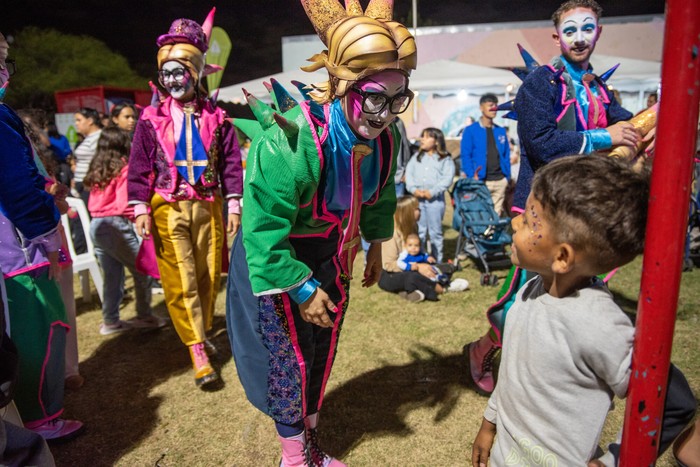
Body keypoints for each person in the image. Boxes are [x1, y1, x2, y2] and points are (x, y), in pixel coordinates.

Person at [226, 0, 417, 464]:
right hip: (278, 259)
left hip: (333, 254)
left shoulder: (386, 138)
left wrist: (373, 245)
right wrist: (303, 287)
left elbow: (381, 194)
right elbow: (263, 233)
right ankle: (295, 458)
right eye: (376, 98)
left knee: (321, 348)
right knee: (287, 359)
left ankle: (309, 441)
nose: (386, 114)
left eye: (398, 100)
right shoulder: (288, 141)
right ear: (343, 86)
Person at [471, 156, 696, 466]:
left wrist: (615, 460)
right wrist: (489, 422)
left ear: (562, 257)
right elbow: (513, 373)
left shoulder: (598, 324)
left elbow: (674, 401)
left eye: (529, 219)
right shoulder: (530, 290)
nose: (515, 221)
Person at [465, 0, 642, 395]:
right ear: (556, 36)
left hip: (582, 210)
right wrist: (606, 137)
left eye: (587, 28)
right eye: (570, 30)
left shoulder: (597, 88)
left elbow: (622, 120)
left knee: (573, 297)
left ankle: (548, 375)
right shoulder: (539, 84)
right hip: (538, 211)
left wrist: (641, 124)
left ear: (599, 31)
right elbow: (542, 143)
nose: (579, 38)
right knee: (522, 302)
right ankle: (480, 350)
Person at [128, 8, 243, 388]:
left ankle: (204, 329)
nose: (173, 79)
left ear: (195, 73)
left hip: (208, 207)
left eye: (180, 72)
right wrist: (140, 206)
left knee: (209, 275)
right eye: (167, 73)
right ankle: (196, 348)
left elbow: (230, 165)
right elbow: (139, 165)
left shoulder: (218, 117)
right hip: (168, 208)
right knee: (181, 279)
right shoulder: (150, 119)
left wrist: (234, 203)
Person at [0, 31, 83, 442]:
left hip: (13, 249)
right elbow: (17, 184)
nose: (6, 74)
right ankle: (39, 417)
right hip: (18, 252)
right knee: (39, 329)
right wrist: (47, 230)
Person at [85, 127, 167, 335]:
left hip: (96, 225)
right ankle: (145, 315)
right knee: (143, 271)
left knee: (112, 276)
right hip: (116, 226)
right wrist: (142, 215)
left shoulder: (98, 167)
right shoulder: (125, 168)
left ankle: (110, 321)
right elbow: (125, 203)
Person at [405, 127, 455, 263]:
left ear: (437, 141)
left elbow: (447, 178)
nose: (422, 139)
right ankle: (419, 259)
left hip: (435, 202)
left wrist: (432, 192)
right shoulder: (416, 158)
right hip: (418, 201)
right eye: (422, 136)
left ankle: (436, 262)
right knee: (420, 231)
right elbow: (409, 175)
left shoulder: (445, 159)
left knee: (435, 233)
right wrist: (414, 189)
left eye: (427, 137)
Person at [460, 93, 511, 216]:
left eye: (496, 105)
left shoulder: (500, 131)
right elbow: (465, 155)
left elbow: (506, 155)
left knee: (496, 216)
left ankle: (492, 235)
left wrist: (507, 177)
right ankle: (482, 235)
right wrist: (472, 176)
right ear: (481, 107)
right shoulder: (471, 130)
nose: (494, 108)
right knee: (481, 214)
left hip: (500, 180)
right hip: (481, 181)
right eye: (490, 105)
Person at [72, 107, 103, 206]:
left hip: (90, 185)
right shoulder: (89, 137)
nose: (76, 124)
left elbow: (100, 160)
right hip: (84, 184)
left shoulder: (98, 137)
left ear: (90, 121)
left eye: (79, 120)